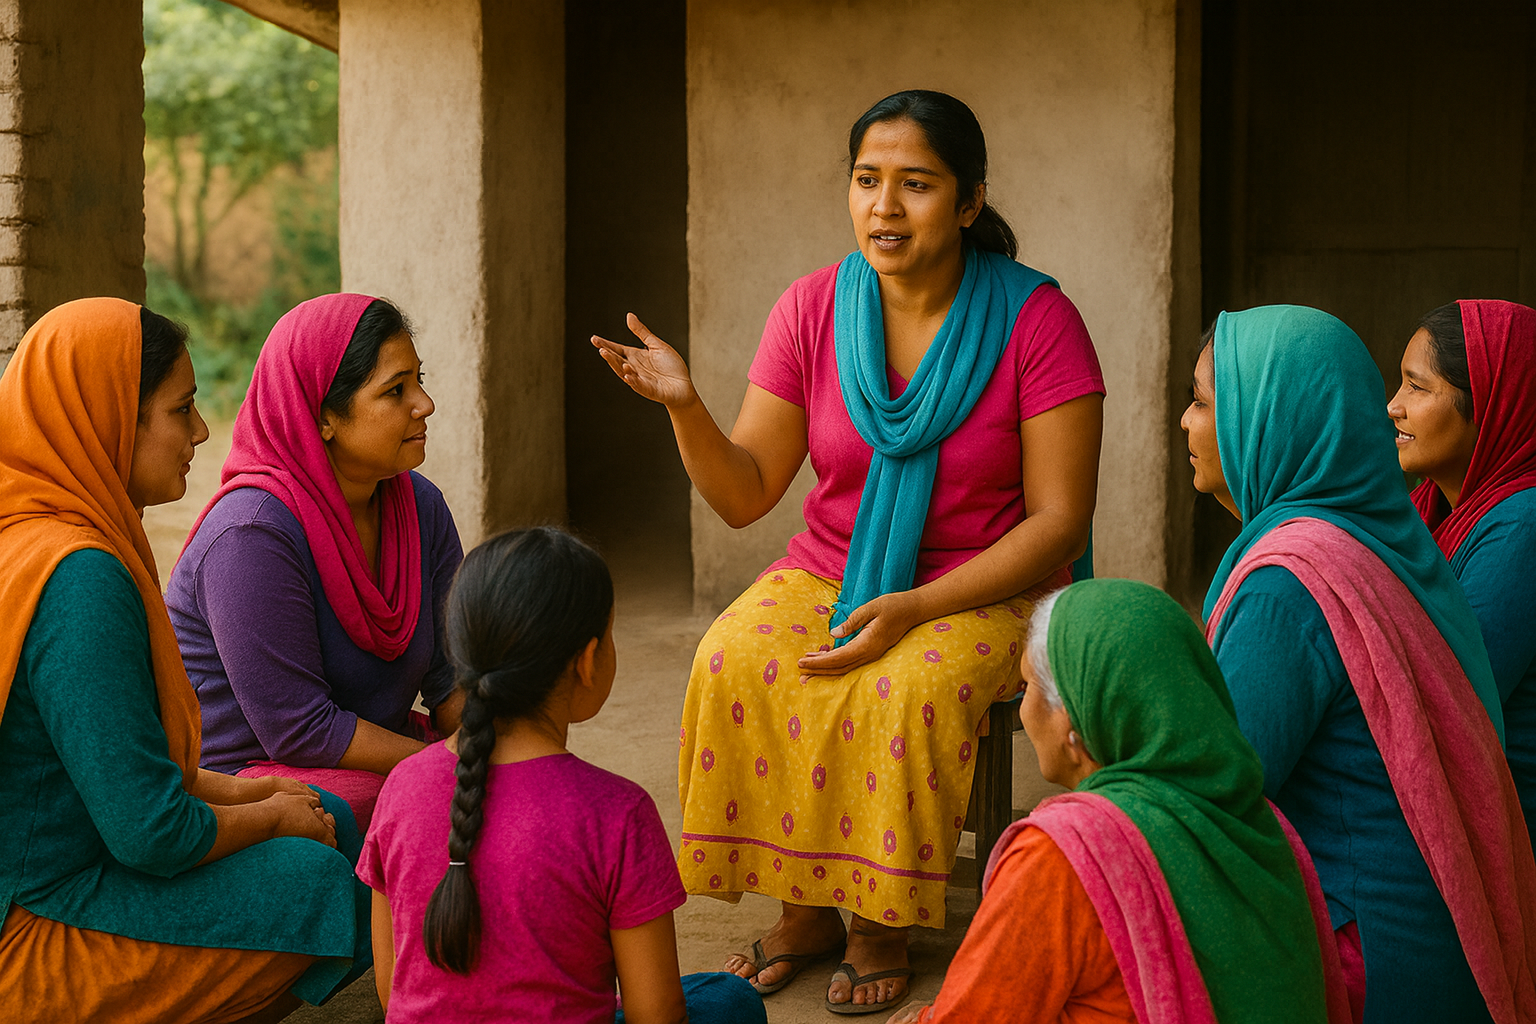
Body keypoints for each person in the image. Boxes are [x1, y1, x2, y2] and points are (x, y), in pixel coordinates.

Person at [593, 89, 1103, 1013]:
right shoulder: (813, 308)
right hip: (831, 564)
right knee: (735, 656)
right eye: (868, 180)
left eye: (916, 184)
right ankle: (805, 911)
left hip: (986, 582)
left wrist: (913, 607)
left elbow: (1060, 521)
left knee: (901, 685)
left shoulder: (1037, 321)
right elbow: (747, 492)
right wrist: (684, 405)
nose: (884, 207)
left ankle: (878, 922)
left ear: (969, 202)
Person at [0, 298, 369, 1023]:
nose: (201, 430)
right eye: (181, 408)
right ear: (110, 418)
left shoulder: (32, 533)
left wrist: (264, 798)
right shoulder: (76, 577)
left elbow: (127, 772)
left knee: (326, 813)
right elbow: (152, 832)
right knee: (316, 877)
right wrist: (270, 819)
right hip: (35, 921)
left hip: (78, 861)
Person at [1183, 304, 1536, 1024]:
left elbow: (1212, 794)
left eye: (1202, 402)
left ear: (1266, 422)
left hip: (1372, 958)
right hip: (1436, 936)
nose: (1185, 423)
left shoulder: (1291, 583)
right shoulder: (1384, 536)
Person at [888, 579, 1347, 1024]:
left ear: (1073, 724)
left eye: (1026, 689)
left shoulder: (1061, 858)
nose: (1024, 710)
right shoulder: (1263, 826)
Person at [357, 527, 766, 1024]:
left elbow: (391, 991)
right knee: (730, 1000)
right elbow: (657, 1014)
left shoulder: (401, 787)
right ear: (588, 661)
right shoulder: (617, 812)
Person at [168, 294, 464, 831]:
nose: (425, 404)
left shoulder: (421, 507)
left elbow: (452, 678)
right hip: (252, 779)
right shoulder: (252, 534)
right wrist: (443, 765)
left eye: (419, 381)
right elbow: (299, 729)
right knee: (428, 802)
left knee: (527, 781)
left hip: (370, 750)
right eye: (395, 390)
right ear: (324, 417)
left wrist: (489, 748)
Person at [1390, 300, 1536, 842]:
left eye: (1416, 387)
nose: (1392, 406)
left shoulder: (1523, 529)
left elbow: (1445, 700)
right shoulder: (1427, 510)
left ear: (1491, 405)